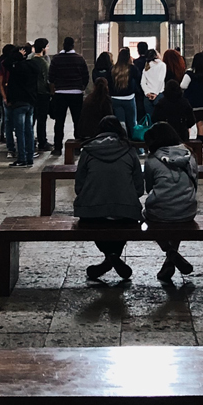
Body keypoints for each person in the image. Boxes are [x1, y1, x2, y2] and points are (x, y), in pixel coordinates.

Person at [74, 115, 144, 282]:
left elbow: (79, 186)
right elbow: (139, 188)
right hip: (125, 211)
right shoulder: (130, 150)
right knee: (124, 217)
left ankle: (109, 256)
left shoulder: (88, 150)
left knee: (95, 218)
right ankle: (113, 256)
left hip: (93, 211)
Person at [143, 123, 198, 284]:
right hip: (188, 210)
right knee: (178, 217)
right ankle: (171, 256)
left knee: (145, 219)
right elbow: (195, 182)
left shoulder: (152, 160)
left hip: (159, 213)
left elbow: (149, 188)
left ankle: (169, 252)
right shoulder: (190, 155)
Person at [48, 36, 89, 155]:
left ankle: (57, 148)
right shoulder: (79, 59)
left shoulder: (56, 59)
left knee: (59, 121)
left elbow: (51, 77)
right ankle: (77, 147)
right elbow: (85, 76)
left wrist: (55, 89)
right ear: (73, 46)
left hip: (60, 93)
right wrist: (81, 87)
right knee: (77, 120)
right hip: (76, 93)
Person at [4, 43, 37, 167]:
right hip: (30, 102)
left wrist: (17, 56)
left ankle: (22, 158)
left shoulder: (17, 67)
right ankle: (30, 157)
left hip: (19, 102)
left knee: (20, 131)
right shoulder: (34, 65)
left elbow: (6, 63)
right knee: (29, 130)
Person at [183, 49, 203, 152]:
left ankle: (188, 147)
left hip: (193, 104)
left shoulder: (190, 73)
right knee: (201, 127)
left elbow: (183, 85)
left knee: (187, 125)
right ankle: (199, 148)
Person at [28, 40, 53, 161]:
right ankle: (42, 142)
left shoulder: (30, 61)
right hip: (42, 94)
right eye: (47, 47)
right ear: (43, 48)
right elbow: (48, 79)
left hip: (31, 93)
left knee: (31, 119)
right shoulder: (43, 63)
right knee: (42, 119)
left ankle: (30, 141)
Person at [153, 79, 195, 143]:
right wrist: (185, 126)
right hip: (181, 134)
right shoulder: (184, 102)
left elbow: (154, 119)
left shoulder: (161, 103)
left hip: (165, 134)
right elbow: (192, 120)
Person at [109, 48, 138, 139]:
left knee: (121, 124)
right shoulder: (132, 68)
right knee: (132, 123)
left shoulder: (113, 69)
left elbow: (109, 83)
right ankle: (138, 148)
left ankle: (122, 144)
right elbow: (138, 79)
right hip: (129, 98)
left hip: (115, 99)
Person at [0, 44, 18, 158]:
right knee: (16, 123)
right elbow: (1, 82)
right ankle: (17, 148)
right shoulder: (9, 64)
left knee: (7, 120)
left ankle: (11, 147)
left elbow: (0, 82)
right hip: (13, 97)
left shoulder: (2, 63)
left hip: (7, 96)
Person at [78, 78, 113, 143]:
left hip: (84, 132)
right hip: (97, 133)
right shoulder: (106, 100)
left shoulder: (88, 98)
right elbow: (109, 117)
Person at [139, 47, 167, 125]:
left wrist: (147, 93)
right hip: (158, 95)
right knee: (160, 121)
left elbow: (142, 83)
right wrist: (155, 94)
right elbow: (161, 80)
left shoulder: (146, 67)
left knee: (150, 121)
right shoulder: (162, 65)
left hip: (147, 97)